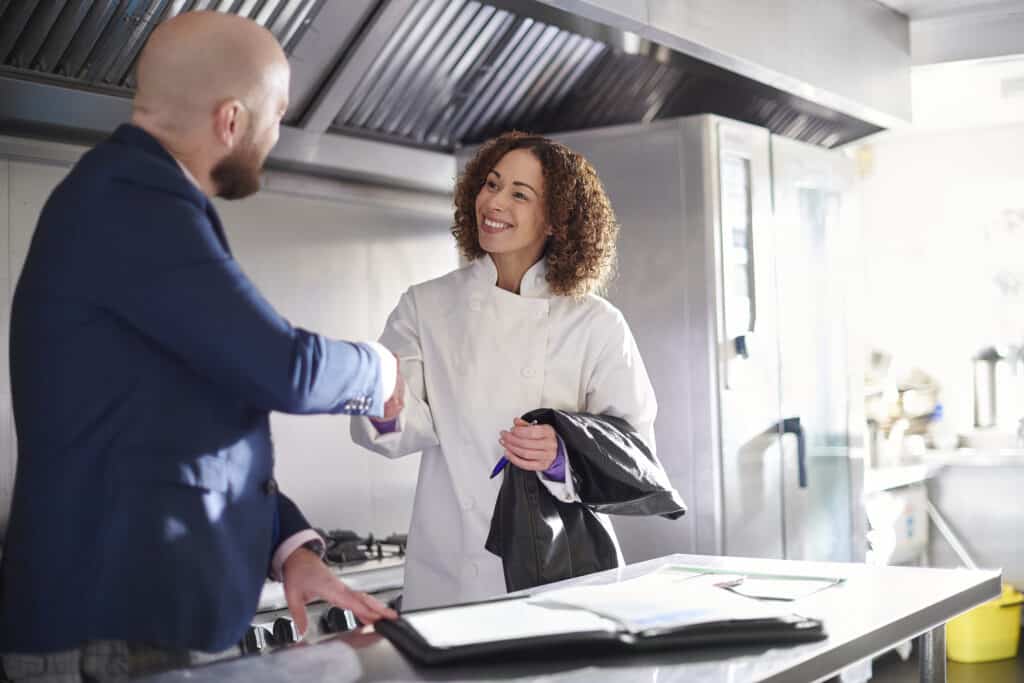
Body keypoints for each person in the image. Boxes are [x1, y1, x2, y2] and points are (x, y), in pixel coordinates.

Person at [0, 11, 399, 681]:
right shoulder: (132, 202)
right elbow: (284, 368)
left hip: (141, 621)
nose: (276, 135)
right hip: (116, 629)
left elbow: (194, 414)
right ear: (231, 120)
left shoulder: (135, 200)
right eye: (275, 115)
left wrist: (290, 546)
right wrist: (380, 368)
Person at [351, 132, 659, 610]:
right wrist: (374, 393)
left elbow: (636, 450)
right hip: (450, 578)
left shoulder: (596, 323)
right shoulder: (425, 306)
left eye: (519, 194)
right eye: (491, 184)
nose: (494, 202)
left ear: (556, 219)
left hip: (564, 582)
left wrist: (564, 453)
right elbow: (394, 429)